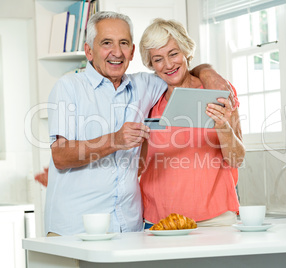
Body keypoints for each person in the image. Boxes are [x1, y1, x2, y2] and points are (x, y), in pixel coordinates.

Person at [45, 11, 232, 236]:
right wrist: (115, 140)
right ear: (88, 51)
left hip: (129, 227)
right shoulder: (68, 87)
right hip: (76, 226)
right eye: (106, 43)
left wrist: (208, 72)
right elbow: (60, 157)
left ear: (132, 51)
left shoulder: (145, 85)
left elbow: (176, 69)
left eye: (123, 43)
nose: (117, 52)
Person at [138, 18, 246, 228]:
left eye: (173, 53)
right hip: (158, 220)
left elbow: (236, 159)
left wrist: (223, 127)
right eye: (158, 59)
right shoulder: (149, 100)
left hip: (214, 218)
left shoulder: (217, 92)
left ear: (187, 51)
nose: (168, 65)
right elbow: (139, 163)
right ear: (151, 64)